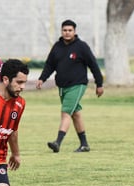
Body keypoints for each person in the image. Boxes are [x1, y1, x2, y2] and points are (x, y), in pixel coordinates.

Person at [36, 19, 104, 153]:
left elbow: (93, 65)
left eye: (70, 30)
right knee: (75, 114)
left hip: (77, 85)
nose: (67, 33)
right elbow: (50, 65)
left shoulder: (82, 47)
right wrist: (42, 78)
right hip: (62, 87)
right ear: (61, 31)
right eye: (65, 30)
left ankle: (57, 142)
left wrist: (99, 84)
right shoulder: (57, 46)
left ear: (75, 31)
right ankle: (84, 145)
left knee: (66, 112)